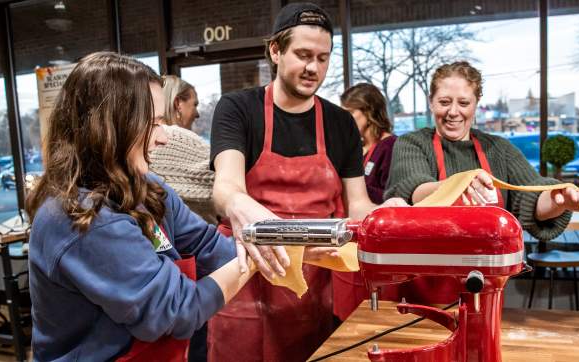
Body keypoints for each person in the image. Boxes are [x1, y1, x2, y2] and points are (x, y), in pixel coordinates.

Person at [26, 52, 254, 361]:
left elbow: (206, 244)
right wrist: (252, 260)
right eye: (153, 123)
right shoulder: (81, 217)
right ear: (108, 127)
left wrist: (279, 248)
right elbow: (178, 311)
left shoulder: (149, 188)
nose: (163, 138)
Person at [208, 3, 405, 361]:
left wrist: (388, 213)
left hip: (307, 289)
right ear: (275, 51)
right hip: (242, 284)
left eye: (323, 58)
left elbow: (357, 205)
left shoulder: (340, 123)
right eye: (302, 55)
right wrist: (243, 208)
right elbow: (226, 187)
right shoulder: (238, 109)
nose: (313, 67)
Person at [385, 61, 579, 303]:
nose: (453, 112)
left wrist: (557, 199)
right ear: (431, 102)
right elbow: (415, 188)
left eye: (463, 103)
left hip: (486, 287)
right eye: (444, 102)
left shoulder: (498, 149)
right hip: (422, 288)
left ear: (475, 105)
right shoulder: (412, 143)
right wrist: (460, 185)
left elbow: (530, 195)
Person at [150, 75, 216, 224]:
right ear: (178, 103)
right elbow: (226, 175)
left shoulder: (146, 142)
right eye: (195, 104)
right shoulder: (175, 138)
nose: (197, 113)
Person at [341, 83, 397, 204]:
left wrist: (352, 186)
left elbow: (393, 197)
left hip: (378, 218)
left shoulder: (391, 146)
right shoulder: (355, 147)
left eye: (349, 113)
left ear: (369, 112)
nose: (344, 119)